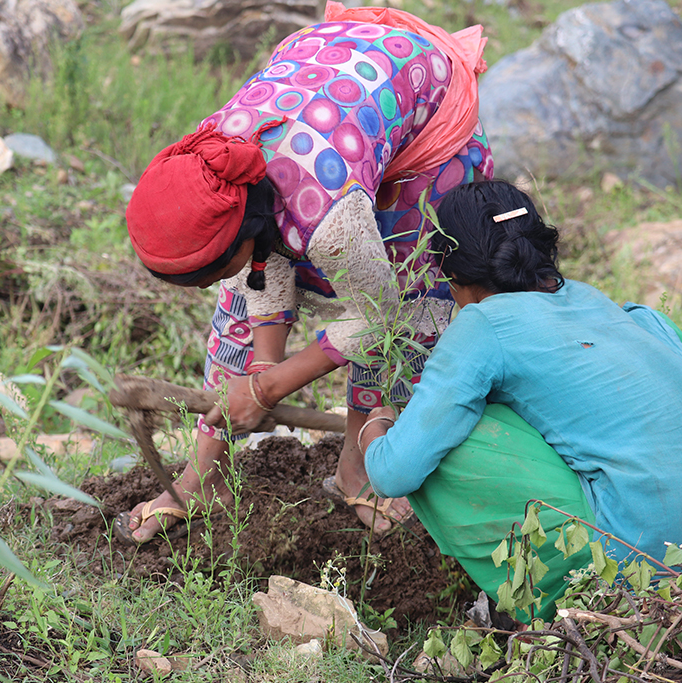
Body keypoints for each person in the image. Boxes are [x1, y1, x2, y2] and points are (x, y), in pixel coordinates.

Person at [120, 2, 495, 543]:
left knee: (402, 299)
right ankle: (205, 478)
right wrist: (263, 368)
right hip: (326, 93)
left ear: (244, 227)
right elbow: (259, 263)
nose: (201, 285)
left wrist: (268, 389)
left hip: (422, 124)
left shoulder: (330, 216)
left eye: (205, 271)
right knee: (239, 304)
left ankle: (358, 463)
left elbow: (379, 314)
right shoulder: (214, 161)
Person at [359, 179, 682, 622]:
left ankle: (544, 598)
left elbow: (394, 472)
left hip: (653, 552)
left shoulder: (482, 323)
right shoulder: (594, 300)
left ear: (451, 271)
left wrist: (378, 426)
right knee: (647, 328)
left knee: (447, 437)